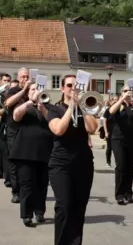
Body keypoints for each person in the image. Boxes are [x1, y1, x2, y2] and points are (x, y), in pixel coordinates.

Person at [47, 74, 98, 245]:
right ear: (62, 88)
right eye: (69, 85)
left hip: (83, 164)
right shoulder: (54, 109)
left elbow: (92, 128)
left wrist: (81, 106)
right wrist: (71, 108)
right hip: (61, 164)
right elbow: (58, 130)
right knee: (64, 206)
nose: (73, 89)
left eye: (77, 86)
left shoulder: (84, 108)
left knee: (78, 208)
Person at [10, 83, 53, 226]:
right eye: (33, 89)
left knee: (42, 184)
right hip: (25, 153)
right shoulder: (24, 106)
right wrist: (30, 101)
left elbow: (54, 123)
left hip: (44, 152)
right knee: (27, 185)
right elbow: (16, 116)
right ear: (28, 93)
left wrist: (44, 110)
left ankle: (40, 212)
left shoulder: (47, 107)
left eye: (38, 89)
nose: (36, 92)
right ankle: (27, 214)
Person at [105, 85, 133, 205]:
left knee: (130, 167)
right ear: (121, 93)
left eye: (130, 91)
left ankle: (128, 193)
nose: (128, 93)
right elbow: (110, 113)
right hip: (118, 139)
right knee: (121, 166)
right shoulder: (118, 104)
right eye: (126, 91)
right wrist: (122, 100)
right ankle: (119, 194)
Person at [4, 68, 32, 203]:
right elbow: (8, 103)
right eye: (23, 77)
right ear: (18, 77)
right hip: (14, 130)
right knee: (14, 162)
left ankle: (27, 190)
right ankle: (16, 192)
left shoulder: (33, 90)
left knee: (28, 162)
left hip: (28, 130)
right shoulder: (13, 90)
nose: (25, 79)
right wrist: (23, 91)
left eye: (27, 76)